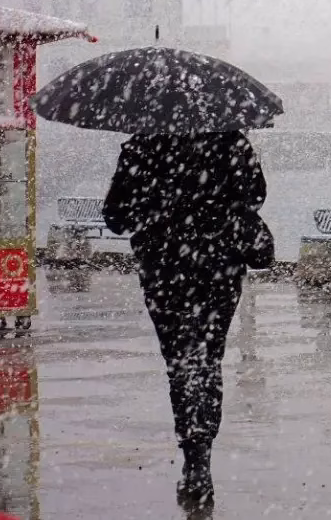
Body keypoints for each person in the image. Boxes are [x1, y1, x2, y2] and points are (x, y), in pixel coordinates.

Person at [103, 131, 267, 508]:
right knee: (208, 359)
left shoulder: (141, 147)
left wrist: (159, 209)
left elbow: (116, 217)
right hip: (219, 267)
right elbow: (254, 197)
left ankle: (192, 455)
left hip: (164, 269)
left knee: (180, 363)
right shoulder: (232, 143)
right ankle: (203, 454)